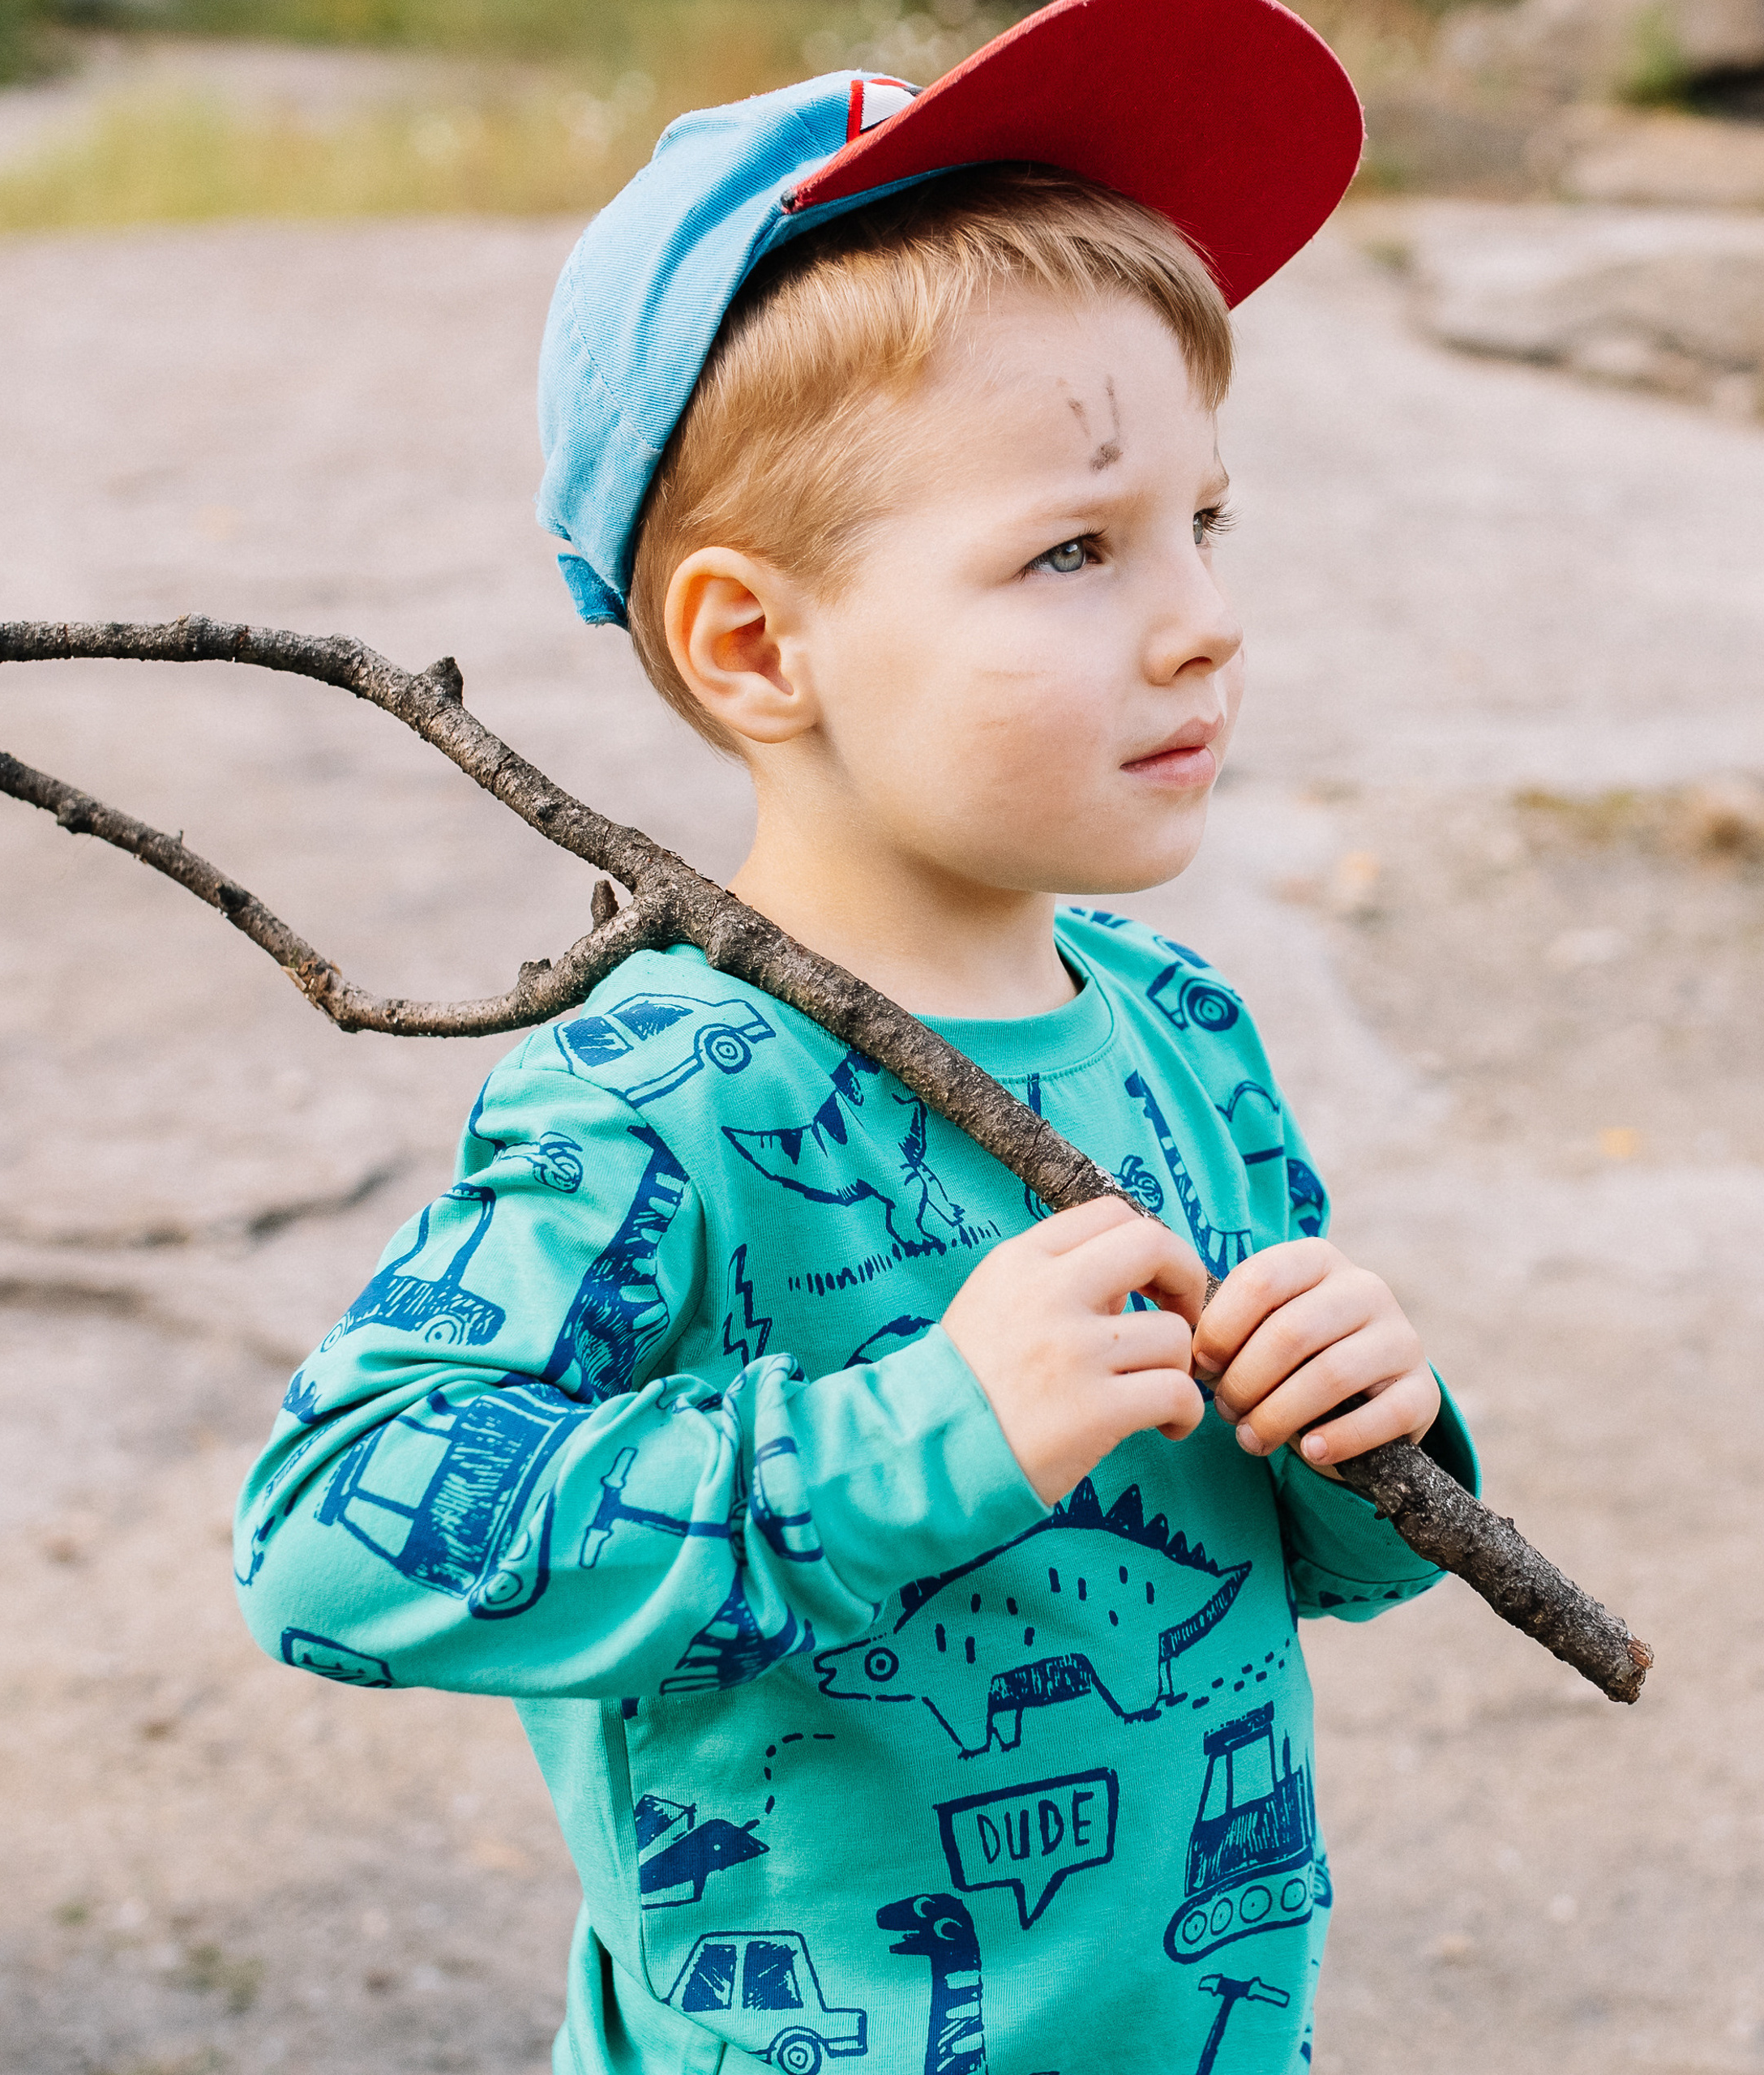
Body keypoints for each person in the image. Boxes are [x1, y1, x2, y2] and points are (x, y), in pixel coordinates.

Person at [234, 4, 1481, 2069]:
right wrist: (908, 1445)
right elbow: (332, 1533)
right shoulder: (668, 1090)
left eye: (1203, 522)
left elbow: (1312, 1560)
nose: (1198, 618)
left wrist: (1380, 1434)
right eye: (1073, 547)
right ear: (755, 642)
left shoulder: (1179, 1033)